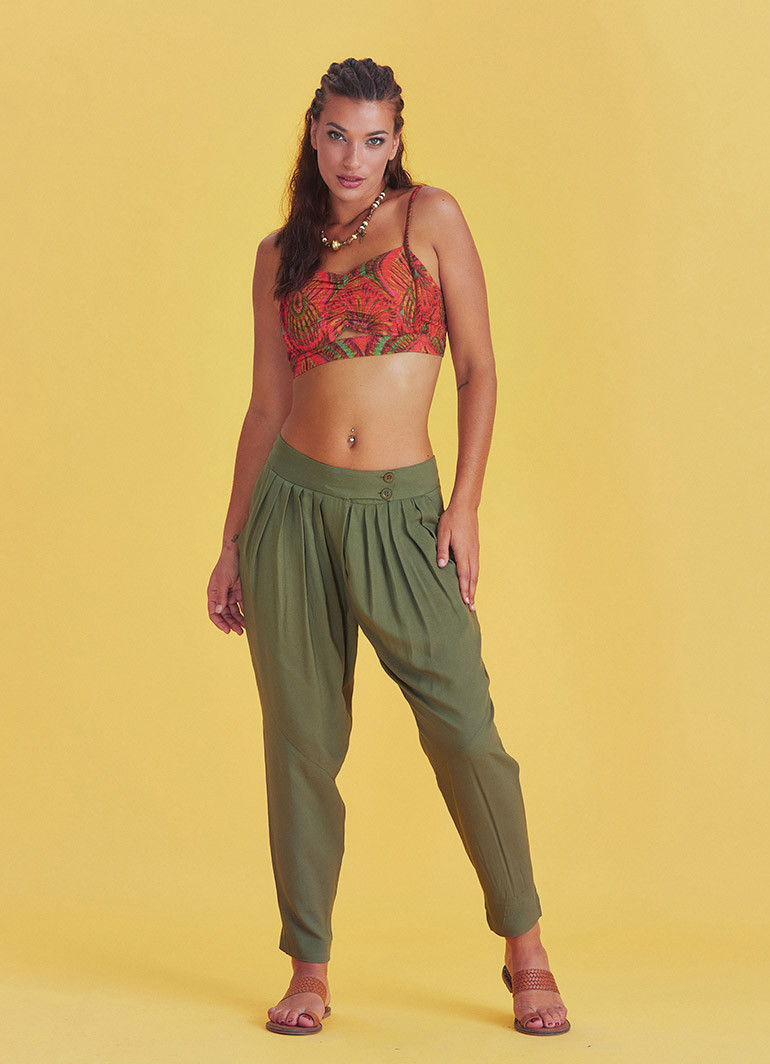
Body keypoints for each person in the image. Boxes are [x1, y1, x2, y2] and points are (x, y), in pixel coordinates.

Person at [207, 57, 570, 1038]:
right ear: (313, 132)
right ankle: (308, 966)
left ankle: (526, 947)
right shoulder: (278, 254)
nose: (351, 156)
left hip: (403, 513)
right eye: (336, 134)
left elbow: (480, 370)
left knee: (465, 730)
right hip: (290, 511)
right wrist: (231, 540)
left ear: (395, 142)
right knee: (300, 744)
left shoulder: (429, 219)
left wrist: (464, 505)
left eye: (372, 138)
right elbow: (266, 405)